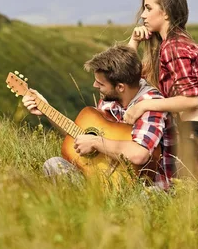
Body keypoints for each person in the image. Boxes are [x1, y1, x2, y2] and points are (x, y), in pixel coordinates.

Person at [125, 0, 198, 186]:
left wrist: (144, 105)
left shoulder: (174, 47)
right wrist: (134, 43)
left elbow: (191, 100)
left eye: (148, 8)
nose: (143, 15)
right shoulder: (169, 45)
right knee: (189, 201)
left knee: (176, 197)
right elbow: (127, 79)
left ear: (165, 12)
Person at [22, 45, 176, 191]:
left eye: (100, 83)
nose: (95, 85)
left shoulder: (150, 104)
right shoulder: (112, 98)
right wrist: (46, 108)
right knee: (54, 165)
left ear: (120, 87)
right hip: (99, 179)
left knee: (147, 196)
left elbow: (139, 154)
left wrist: (96, 142)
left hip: (140, 188)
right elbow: (80, 134)